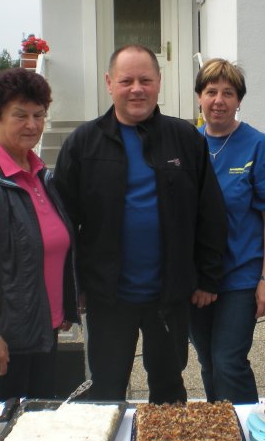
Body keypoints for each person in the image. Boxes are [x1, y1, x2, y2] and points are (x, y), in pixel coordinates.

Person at [53, 45, 227, 403]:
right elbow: (64, 222)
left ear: (159, 82)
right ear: (109, 83)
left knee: (169, 388)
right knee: (107, 388)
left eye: (145, 80)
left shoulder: (185, 138)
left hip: (169, 294)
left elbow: (209, 212)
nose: (136, 89)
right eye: (126, 81)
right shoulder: (83, 143)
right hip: (107, 295)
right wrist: (72, 287)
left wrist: (208, 277)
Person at [0, 68, 79, 404]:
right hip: (5, 338)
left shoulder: (38, 173)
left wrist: (63, 305)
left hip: (42, 329)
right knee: (7, 426)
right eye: (20, 116)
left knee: (39, 421)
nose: (32, 125)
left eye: (39, 115)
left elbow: (49, 247)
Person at [189, 59, 265, 404]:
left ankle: (244, 427)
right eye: (211, 91)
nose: (219, 100)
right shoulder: (187, 144)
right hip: (198, 277)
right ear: (199, 98)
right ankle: (221, 424)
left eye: (228, 93)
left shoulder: (257, 146)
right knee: (207, 360)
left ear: (239, 100)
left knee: (228, 361)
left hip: (240, 276)